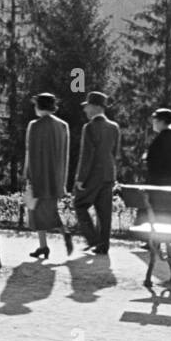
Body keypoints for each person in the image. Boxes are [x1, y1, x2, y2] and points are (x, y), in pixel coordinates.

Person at [22, 92, 74, 260]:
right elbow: (65, 154)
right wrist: (62, 180)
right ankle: (44, 246)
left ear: (39, 106)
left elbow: (30, 153)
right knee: (47, 211)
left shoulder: (34, 125)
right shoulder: (63, 126)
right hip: (55, 177)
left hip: (38, 176)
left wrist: (26, 175)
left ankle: (61, 235)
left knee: (38, 212)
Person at [72, 91, 120, 255]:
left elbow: (87, 155)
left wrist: (81, 178)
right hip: (108, 174)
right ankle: (103, 246)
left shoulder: (90, 127)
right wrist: (113, 174)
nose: (85, 110)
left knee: (79, 204)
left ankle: (93, 239)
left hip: (93, 174)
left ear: (95, 107)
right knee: (104, 211)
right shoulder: (114, 127)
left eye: (87, 107)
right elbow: (115, 153)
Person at [143, 107, 171, 186]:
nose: (153, 123)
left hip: (162, 181)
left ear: (162, 121)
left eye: (155, 120)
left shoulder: (162, 138)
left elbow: (156, 159)